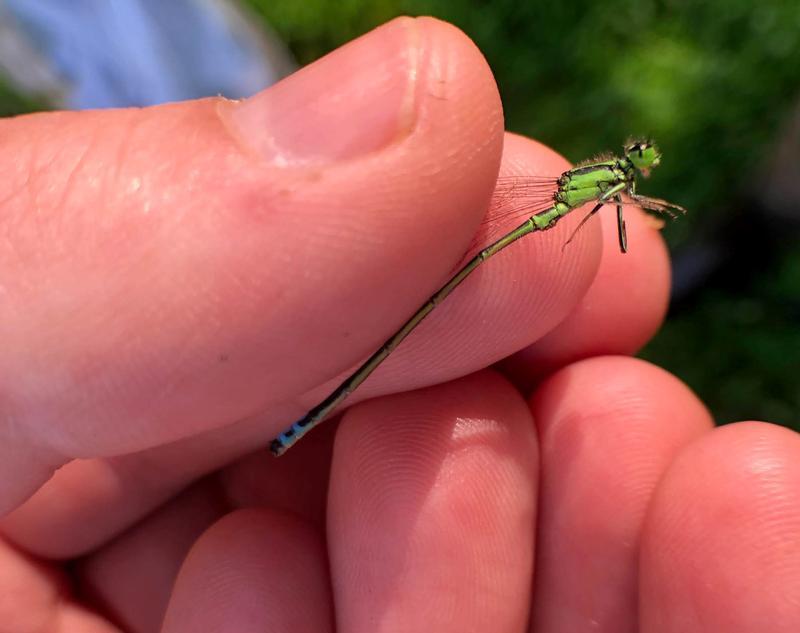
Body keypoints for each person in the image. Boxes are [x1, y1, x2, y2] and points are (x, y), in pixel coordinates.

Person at [0, 17, 797, 632]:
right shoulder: (599, 188)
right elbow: (611, 219)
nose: (639, 168)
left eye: (637, 170)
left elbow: (612, 217)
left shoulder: (605, 185)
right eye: (638, 168)